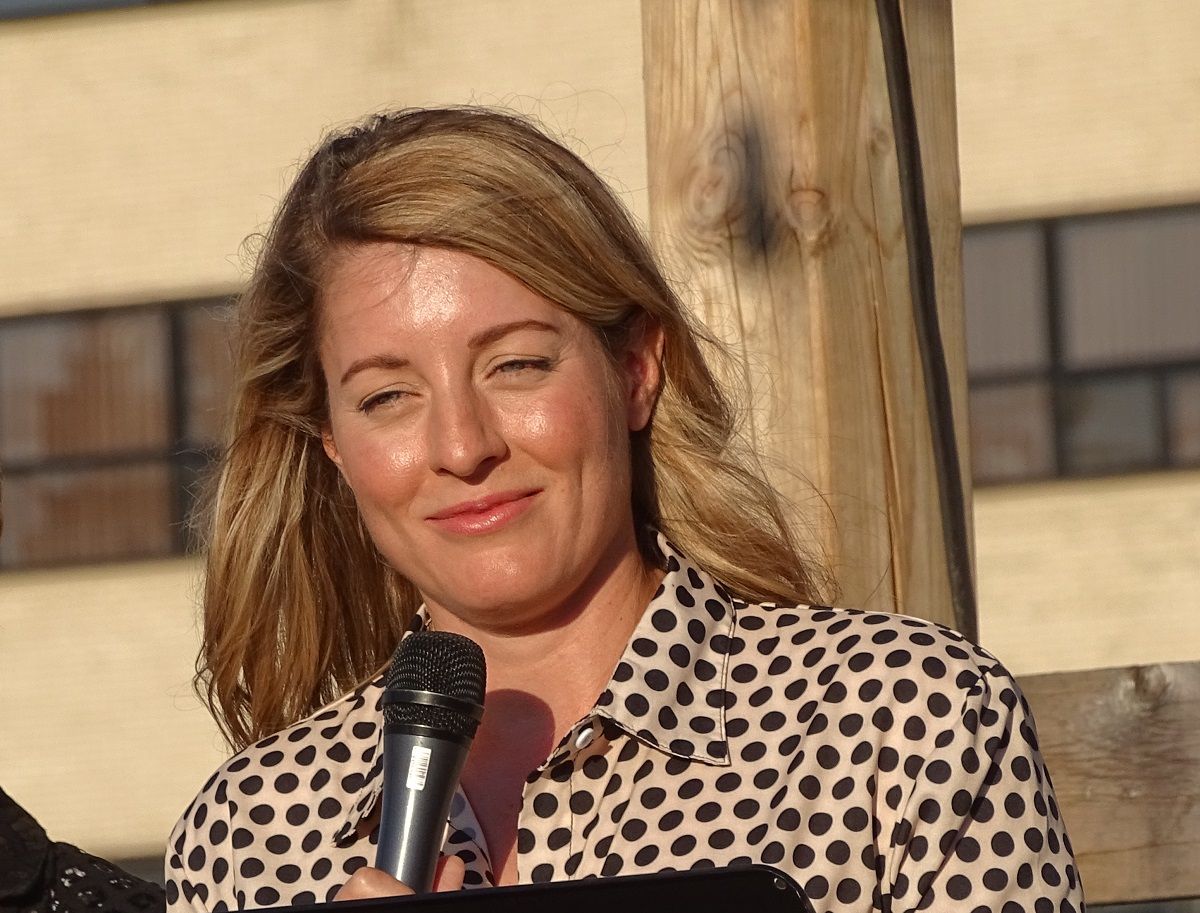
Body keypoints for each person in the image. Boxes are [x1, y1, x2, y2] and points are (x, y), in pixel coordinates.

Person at [166, 107, 1083, 913]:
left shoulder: (901, 721)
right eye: (386, 397)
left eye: (516, 364)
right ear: (331, 442)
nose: (462, 445)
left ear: (636, 370)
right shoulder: (248, 833)